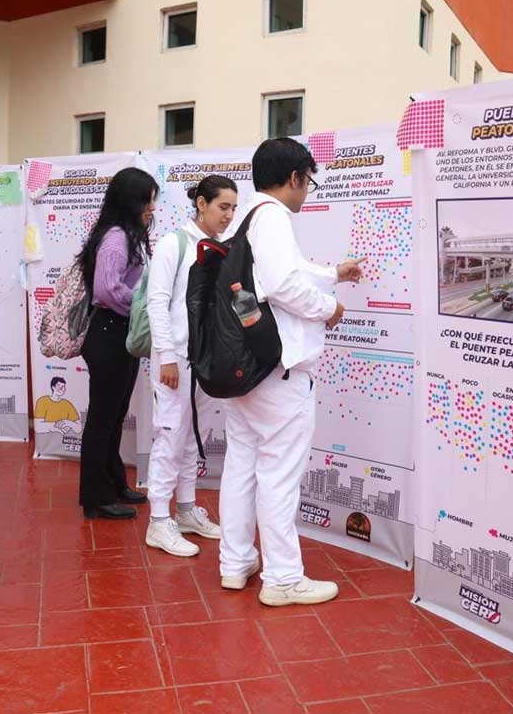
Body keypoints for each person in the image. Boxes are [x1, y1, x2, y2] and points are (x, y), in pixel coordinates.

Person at [218, 138, 364, 606]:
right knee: (279, 476)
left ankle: (235, 562)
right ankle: (282, 579)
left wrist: (334, 273)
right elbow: (283, 283)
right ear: (296, 177)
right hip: (280, 372)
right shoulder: (275, 217)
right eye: (308, 182)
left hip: (249, 370)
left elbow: (285, 272)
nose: (306, 192)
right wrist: (328, 308)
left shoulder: (248, 216)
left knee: (241, 469)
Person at [144, 175, 237, 556]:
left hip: (205, 361)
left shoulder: (222, 248)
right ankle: (158, 521)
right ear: (201, 204)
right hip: (175, 360)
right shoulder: (174, 243)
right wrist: (167, 356)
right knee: (169, 437)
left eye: (233, 208)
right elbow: (157, 301)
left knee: (189, 438)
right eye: (222, 207)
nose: (228, 215)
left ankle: (185, 511)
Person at [77, 167, 156, 519]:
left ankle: (114, 483)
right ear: (129, 201)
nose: (152, 208)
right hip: (109, 332)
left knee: (115, 415)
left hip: (122, 333)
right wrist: (143, 307)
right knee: (102, 419)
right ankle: (95, 498)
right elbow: (107, 290)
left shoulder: (129, 235)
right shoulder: (115, 238)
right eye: (146, 200)